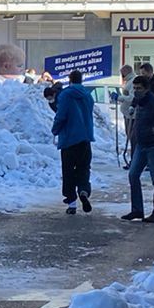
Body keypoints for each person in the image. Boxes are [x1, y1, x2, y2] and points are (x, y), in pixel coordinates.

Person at [121, 74, 154, 223]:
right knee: (133, 174)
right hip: (141, 144)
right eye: (135, 88)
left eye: (139, 88)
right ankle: (137, 209)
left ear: (146, 89)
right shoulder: (138, 102)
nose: (136, 91)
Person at [51, 67, 95, 214]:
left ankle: (71, 203)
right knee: (83, 169)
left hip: (69, 139)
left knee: (68, 171)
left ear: (69, 80)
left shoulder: (65, 95)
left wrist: (55, 129)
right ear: (81, 80)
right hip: (85, 138)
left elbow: (61, 114)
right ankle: (83, 191)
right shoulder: (88, 96)